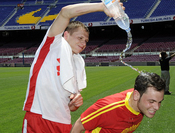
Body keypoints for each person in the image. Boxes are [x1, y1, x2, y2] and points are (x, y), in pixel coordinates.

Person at [22, 2, 125, 133]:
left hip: (64, 122)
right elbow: (65, 12)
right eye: (80, 38)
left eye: (86, 41)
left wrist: (74, 104)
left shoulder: (78, 62)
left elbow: (70, 104)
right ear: (66, 35)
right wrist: (101, 6)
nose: (83, 44)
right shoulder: (53, 45)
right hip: (39, 116)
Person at [70, 72, 166, 133]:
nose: (157, 107)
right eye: (152, 101)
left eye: (159, 102)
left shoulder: (142, 103)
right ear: (136, 95)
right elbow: (78, 126)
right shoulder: (108, 107)